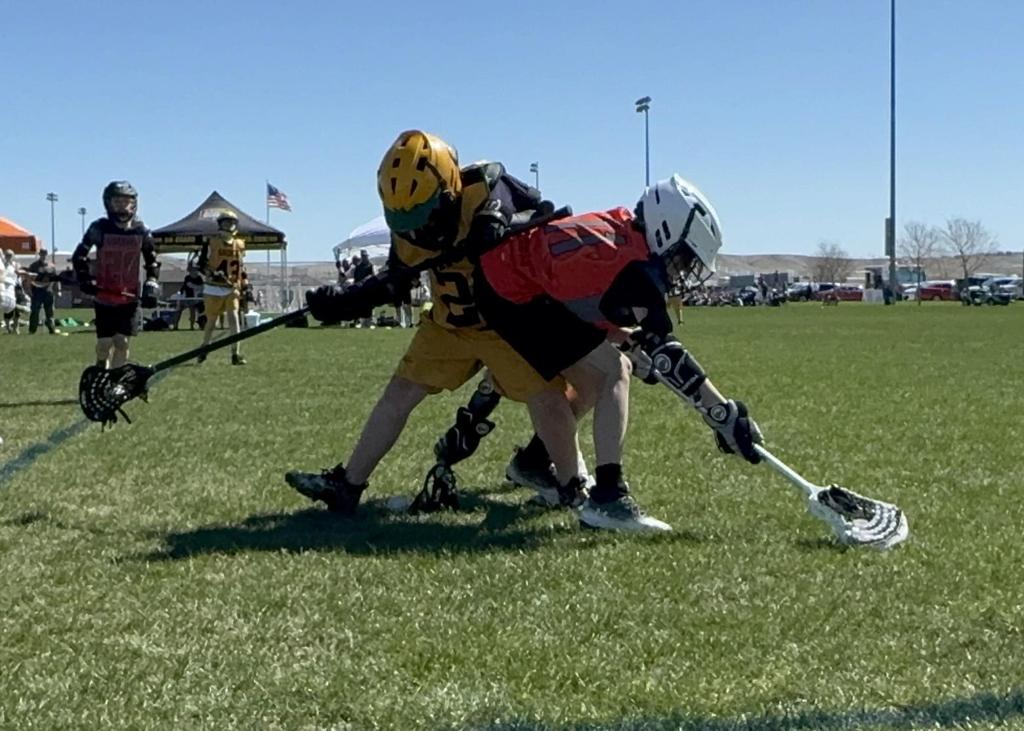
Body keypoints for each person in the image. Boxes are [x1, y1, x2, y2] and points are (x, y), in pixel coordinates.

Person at [288, 129, 587, 517]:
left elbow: (540, 208)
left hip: (506, 325)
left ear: (449, 188)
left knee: (547, 399)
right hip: (448, 325)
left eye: (423, 213)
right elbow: (396, 281)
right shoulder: (408, 225)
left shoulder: (486, 189)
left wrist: (497, 218)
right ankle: (348, 485)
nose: (416, 228)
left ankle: (572, 489)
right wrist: (346, 302)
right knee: (398, 395)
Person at [472, 174, 765, 531]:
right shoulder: (634, 267)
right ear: (665, 233)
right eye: (684, 257)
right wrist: (723, 413)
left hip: (516, 286)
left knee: (597, 378)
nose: (684, 269)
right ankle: (608, 498)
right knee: (614, 370)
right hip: (513, 294)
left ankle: (535, 461)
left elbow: (576, 295)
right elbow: (669, 355)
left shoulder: (621, 232)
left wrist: (624, 337)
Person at [72, 181, 160, 368]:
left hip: (129, 297)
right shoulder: (99, 228)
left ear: (133, 204)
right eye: (117, 202)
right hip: (104, 296)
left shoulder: (141, 230)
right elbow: (79, 256)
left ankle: (114, 379)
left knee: (122, 341)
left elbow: (152, 261)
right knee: (104, 343)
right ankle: (101, 366)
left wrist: (151, 283)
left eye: (126, 202)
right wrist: (85, 278)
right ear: (108, 203)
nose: (122, 206)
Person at [196, 210, 246, 365]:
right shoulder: (211, 242)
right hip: (213, 287)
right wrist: (211, 273)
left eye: (232, 222)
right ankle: (205, 347)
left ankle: (235, 353)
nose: (229, 225)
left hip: (232, 287)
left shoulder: (239, 244)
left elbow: (241, 267)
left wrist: (245, 284)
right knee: (212, 321)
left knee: (234, 319)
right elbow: (201, 264)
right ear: (220, 224)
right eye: (226, 222)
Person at [27, 249, 60, 335]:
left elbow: (56, 279)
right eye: (42, 253)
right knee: (35, 311)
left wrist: (58, 290)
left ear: (46, 254)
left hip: (48, 291)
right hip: (36, 291)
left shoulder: (51, 266)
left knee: (50, 312)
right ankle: (32, 330)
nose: (43, 255)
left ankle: (52, 329)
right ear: (39, 254)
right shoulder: (33, 266)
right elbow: (29, 279)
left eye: (45, 253)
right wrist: (29, 290)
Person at [2, 249, 24, 334]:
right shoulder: (2, 264)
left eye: (10, 255)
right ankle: (8, 327)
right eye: (7, 255)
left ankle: (16, 327)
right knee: (8, 308)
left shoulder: (16, 264)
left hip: (16, 287)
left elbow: (19, 273)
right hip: (6, 288)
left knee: (17, 310)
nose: (8, 257)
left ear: (13, 256)